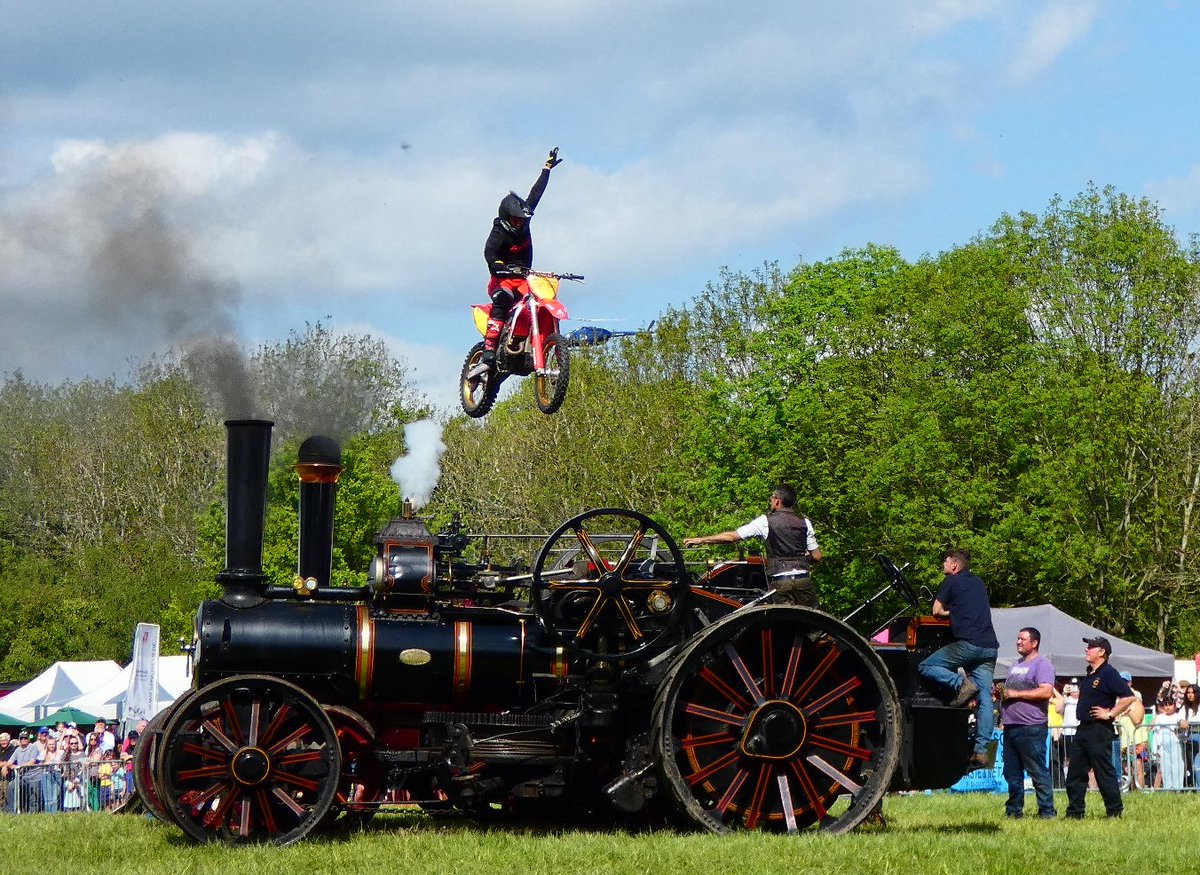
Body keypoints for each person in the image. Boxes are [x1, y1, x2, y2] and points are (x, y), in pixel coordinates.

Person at [480, 147, 563, 367]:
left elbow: (535, 195)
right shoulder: (498, 233)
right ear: (507, 218)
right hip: (502, 280)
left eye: (521, 220)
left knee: (542, 304)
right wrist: (498, 266)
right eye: (515, 221)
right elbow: (489, 254)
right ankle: (489, 348)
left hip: (525, 279)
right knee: (504, 300)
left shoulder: (524, 222)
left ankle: (542, 346)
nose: (519, 223)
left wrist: (546, 170)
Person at [916, 549, 998, 769]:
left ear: (954, 565)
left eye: (945, 561)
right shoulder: (979, 582)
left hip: (968, 644)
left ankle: (961, 684)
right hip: (990, 647)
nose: (943, 564)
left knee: (926, 665)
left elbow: (936, 611)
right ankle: (981, 751)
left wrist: (950, 613)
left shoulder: (952, 582)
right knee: (986, 700)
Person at [682, 484, 823, 607]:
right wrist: (799, 560)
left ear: (777, 501)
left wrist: (701, 540)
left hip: (781, 582)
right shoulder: (805, 522)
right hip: (803, 580)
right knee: (815, 627)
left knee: (784, 626)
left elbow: (732, 537)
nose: (770, 501)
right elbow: (816, 557)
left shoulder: (765, 521)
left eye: (771, 498)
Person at [1065, 636, 1135, 819]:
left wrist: (1110, 713)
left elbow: (1128, 697)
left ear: (1102, 652)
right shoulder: (1090, 672)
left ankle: (1114, 811)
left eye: (1091, 647)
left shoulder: (1108, 673)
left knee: (1103, 772)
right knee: (1075, 773)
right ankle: (1075, 813)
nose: (1086, 650)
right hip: (1083, 729)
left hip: (1099, 729)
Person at [999, 626, 1056, 818]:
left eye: (1023, 639)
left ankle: (1047, 811)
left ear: (1034, 643)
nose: (1018, 642)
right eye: (1017, 639)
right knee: (1012, 773)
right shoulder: (1015, 665)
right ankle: (1014, 810)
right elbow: (1009, 693)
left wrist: (1016, 693)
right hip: (1011, 726)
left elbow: (1046, 691)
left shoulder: (1042, 664)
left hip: (1031, 727)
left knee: (1037, 771)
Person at [1152, 697, 1186, 790]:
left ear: (1174, 705)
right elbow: (1151, 726)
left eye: (1170, 704)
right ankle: (1168, 787)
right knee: (1165, 766)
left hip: (1175, 742)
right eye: (1165, 705)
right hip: (1163, 743)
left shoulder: (1178, 716)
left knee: (1177, 765)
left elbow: (1183, 725)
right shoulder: (1160, 717)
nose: (1167, 707)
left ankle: (1178, 788)